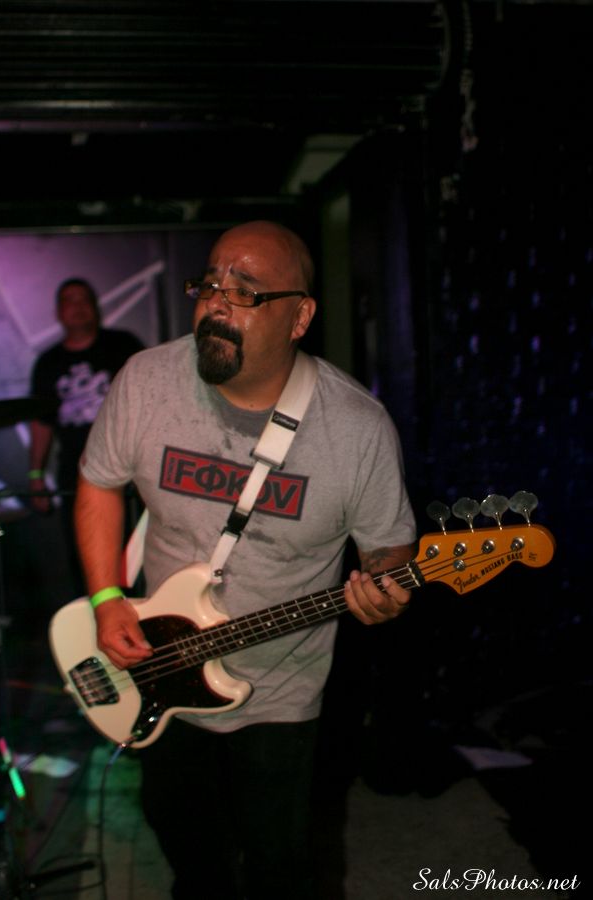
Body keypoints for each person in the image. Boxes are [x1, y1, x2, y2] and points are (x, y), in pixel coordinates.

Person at [74, 221, 416, 899]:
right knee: (185, 847)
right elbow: (99, 483)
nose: (216, 303)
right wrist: (107, 600)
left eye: (246, 291)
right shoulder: (146, 381)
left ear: (300, 318)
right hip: (160, 668)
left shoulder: (358, 428)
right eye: (210, 284)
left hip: (279, 689)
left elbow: (388, 546)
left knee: (278, 865)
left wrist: (385, 586)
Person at [29, 277, 144, 595]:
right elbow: (41, 423)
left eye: (84, 300)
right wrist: (36, 475)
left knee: (135, 555)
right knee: (87, 556)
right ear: (58, 312)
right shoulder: (49, 363)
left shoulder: (122, 346)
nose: (78, 307)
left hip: (130, 467)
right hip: (76, 472)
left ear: (95, 307)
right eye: (70, 300)